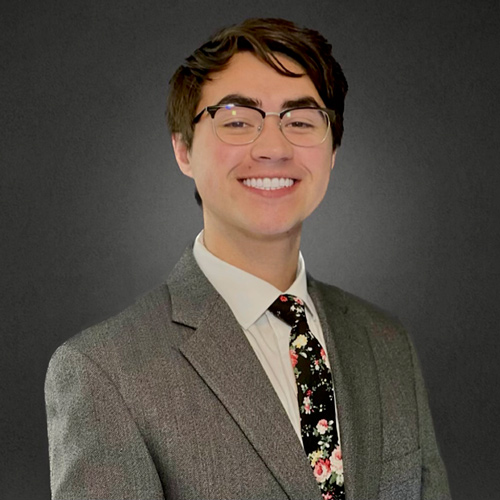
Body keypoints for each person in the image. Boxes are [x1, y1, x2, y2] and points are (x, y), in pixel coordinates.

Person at [45, 18, 451, 500]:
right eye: (238, 121)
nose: (274, 148)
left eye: (301, 121)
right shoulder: (103, 372)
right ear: (183, 150)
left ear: (333, 150)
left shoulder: (387, 343)